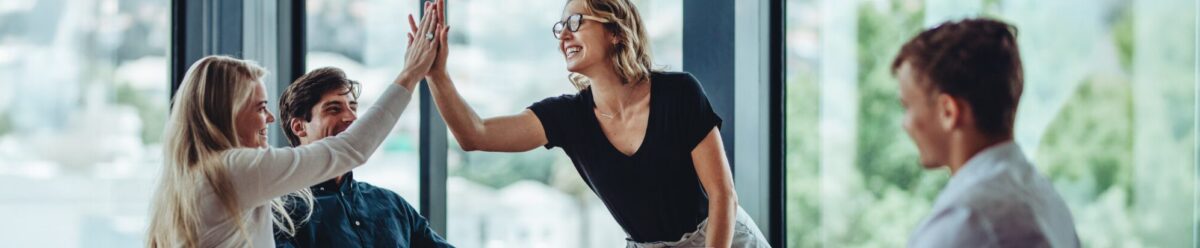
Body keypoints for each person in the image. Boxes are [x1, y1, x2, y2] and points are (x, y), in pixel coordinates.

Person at [416, 0, 768, 247]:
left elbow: (723, 195)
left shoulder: (680, 93)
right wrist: (436, 75)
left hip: (722, 241)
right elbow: (473, 135)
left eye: (575, 23)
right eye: (560, 28)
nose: (564, 35)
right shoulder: (568, 118)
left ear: (615, 31)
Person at [144, 1, 445, 246]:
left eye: (353, 107)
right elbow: (350, 148)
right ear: (227, 111)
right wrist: (410, 74)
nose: (270, 118)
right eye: (260, 107)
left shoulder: (191, 178)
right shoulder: (235, 173)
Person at [892, 18, 1080, 247]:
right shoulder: (1047, 200)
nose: (905, 124)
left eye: (908, 106)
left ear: (948, 111)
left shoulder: (965, 223)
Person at [272, 67, 453, 248]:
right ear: (299, 127)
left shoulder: (392, 205)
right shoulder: (282, 214)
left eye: (353, 107)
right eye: (334, 109)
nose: (351, 117)